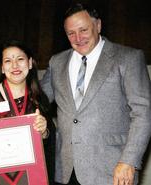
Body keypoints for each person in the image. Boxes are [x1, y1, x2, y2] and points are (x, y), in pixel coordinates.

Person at [41, 2, 151, 185]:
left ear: (98, 25)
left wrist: (129, 161)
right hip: (65, 171)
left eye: (83, 30)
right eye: (71, 33)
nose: (78, 38)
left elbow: (144, 113)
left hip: (113, 170)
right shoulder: (57, 62)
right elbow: (39, 100)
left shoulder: (128, 58)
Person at [0, 40, 56, 185]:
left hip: (31, 177)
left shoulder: (39, 98)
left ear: (30, 63)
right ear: (1, 67)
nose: (15, 65)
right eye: (8, 61)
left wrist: (44, 131)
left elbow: (49, 145)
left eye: (20, 59)